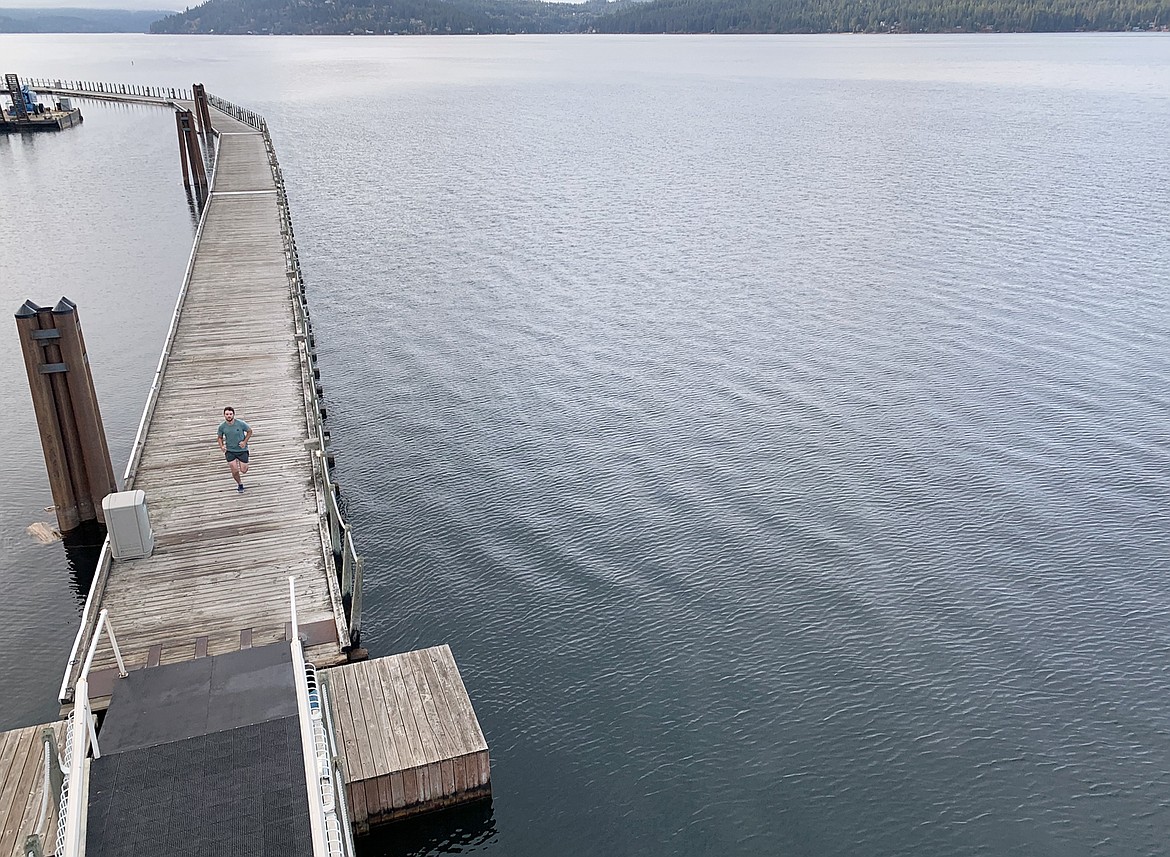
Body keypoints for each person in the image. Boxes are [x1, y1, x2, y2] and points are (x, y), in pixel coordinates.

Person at [217, 406, 252, 493]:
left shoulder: (240, 423)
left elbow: (250, 431)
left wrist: (244, 442)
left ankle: (244, 464)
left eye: (230, 414)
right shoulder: (222, 427)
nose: (229, 416)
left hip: (242, 450)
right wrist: (222, 446)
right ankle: (240, 484)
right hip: (230, 450)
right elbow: (219, 437)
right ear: (224, 415)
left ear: (233, 415)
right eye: (227, 414)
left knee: (244, 470)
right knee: (234, 470)